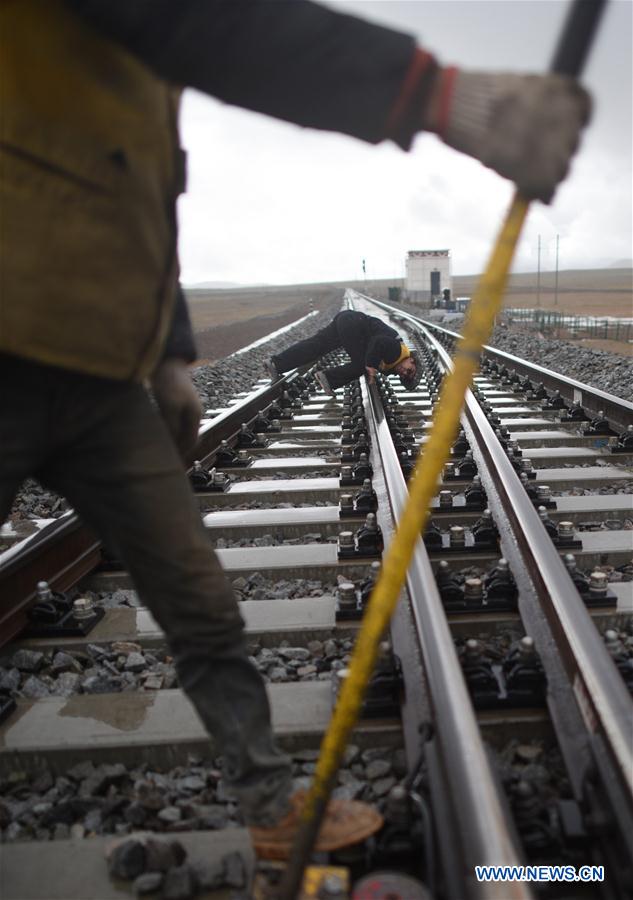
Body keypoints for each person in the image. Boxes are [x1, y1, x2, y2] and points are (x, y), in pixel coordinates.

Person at [0, 0, 590, 859]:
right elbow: (205, 26)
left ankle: (272, 811)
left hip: (103, 380)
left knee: (204, 608)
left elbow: (134, 195)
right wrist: (440, 94)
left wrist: (165, 352)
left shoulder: (124, 84)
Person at [266, 309, 422, 395]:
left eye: (404, 377)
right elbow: (377, 342)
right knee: (362, 364)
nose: (403, 373)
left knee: (317, 345)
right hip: (354, 324)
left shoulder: (395, 360)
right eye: (409, 371)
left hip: (348, 319)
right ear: (412, 360)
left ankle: (276, 364)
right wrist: (371, 365)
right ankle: (327, 378)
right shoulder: (397, 351)